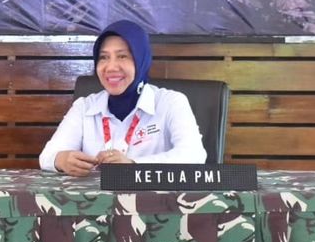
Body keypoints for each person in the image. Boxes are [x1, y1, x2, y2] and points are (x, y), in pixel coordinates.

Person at [39, 20, 207, 175]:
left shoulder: (171, 102)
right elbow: (47, 156)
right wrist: (61, 159)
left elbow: (194, 155)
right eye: (104, 57)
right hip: (95, 198)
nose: (111, 67)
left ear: (141, 60)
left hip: (152, 198)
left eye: (122, 56)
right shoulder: (84, 106)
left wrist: (133, 165)